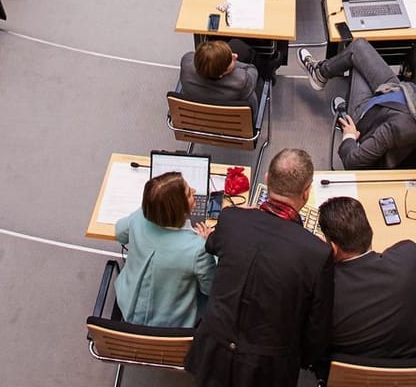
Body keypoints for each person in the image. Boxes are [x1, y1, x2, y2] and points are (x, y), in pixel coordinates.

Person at [184, 148, 333, 384]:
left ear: (266, 179)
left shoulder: (231, 218)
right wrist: (303, 359)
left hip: (213, 352)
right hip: (268, 368)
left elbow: (213, 244)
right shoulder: (317, 252)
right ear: (306, 193)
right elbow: (316, 329)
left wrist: (239, 216)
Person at [316, 198, 416, 373]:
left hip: (353, 375)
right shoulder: (410, 257)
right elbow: (401, 247)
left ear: (333, 247)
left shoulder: (324, 292)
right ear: (369, 231)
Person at [300, 40, 416, 169]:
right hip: (396, 90)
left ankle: (343, 110)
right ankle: (321, 75)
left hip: (366, 112)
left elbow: (353, 161)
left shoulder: (397, 129)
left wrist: (349, 136)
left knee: (355, 59)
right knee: (359, 46)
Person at [114, 172, 216, 329]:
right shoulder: (197, 249)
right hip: (173, 328)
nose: (195, 191)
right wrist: (209, 246)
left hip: (127, 308)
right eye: (189, 193)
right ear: (178, 208)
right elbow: (211, 288)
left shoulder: (139, 217)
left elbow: (120, 233)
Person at [176, 38, 260, 107]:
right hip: (235, 122)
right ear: (221, 74)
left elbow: (194, 56)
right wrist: (235, 64)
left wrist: (223, 60)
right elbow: (251, 69)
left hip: (198, 118)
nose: (235, 56)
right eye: (230, 60)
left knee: (235, 44)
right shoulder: (242, 81)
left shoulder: (187, 63)